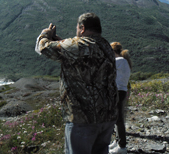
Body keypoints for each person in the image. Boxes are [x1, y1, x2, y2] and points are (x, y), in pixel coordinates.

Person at [35, 12, 118, 154]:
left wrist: (45, 33)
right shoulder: (107, 47)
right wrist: (61, 41)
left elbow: (43, 48)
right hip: (108, 117)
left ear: (82, 28)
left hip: (83, 119)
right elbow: (80, 53)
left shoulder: (79, 46)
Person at [111, 42, 131, 151]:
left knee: (119, 120)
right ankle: (117, 141)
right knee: (117, 119)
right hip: (121, 91)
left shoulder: (118, 61)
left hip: (118, 92)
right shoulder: (123, 61)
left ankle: (122, 146)